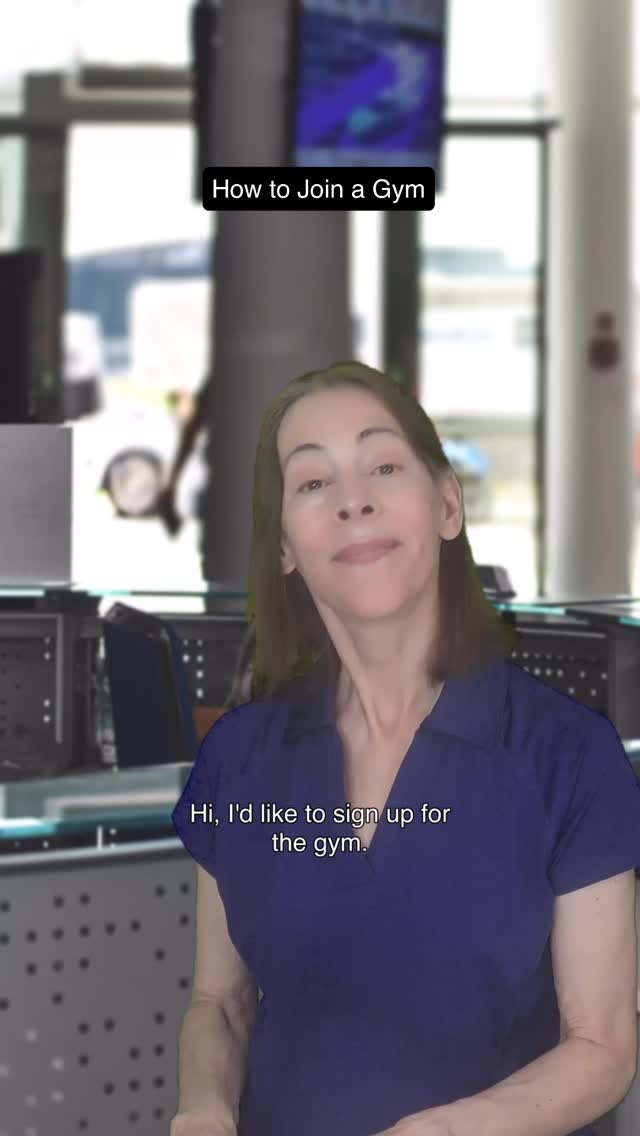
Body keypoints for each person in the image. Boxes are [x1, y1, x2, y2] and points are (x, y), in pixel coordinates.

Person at [170, 360, 640, 1136]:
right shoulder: (241, 758)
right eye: (312, 481)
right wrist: (205, 1108)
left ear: (448, 505)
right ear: (284, 545)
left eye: (383, 466)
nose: (353, 499)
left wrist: (446, 1132)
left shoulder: (567, 756)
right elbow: (220, 1003)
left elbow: (602, 1047)